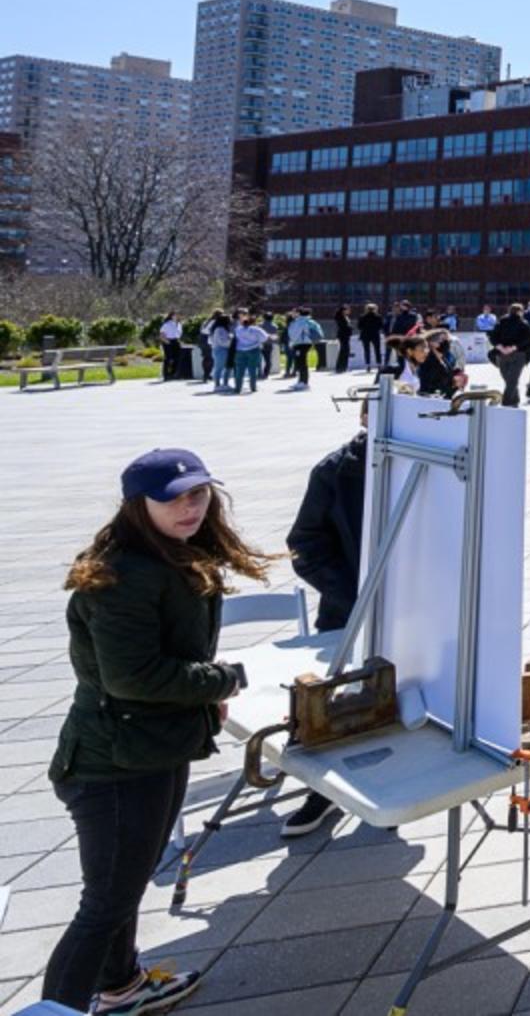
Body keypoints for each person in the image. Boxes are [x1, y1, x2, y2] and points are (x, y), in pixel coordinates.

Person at [46, 448, 269, 1013]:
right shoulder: (124, 575)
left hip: (150, 748)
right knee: (103, 906)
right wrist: (221, 682)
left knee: (123, 889)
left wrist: (200, 701)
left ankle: (121, 989)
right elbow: (133, 677)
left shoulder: (168, 554)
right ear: (136, 506)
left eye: (198, 494)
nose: (190, 508)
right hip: (113, 765)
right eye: (173, 499)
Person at [281, 408, 370, 839]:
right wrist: (352, 595)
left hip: (413, 613)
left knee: (400, 700)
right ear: (365, 416)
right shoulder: (336, 470)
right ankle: (322, 791)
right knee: (330, 706)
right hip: (345, 610)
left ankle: (383, 786)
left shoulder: (431, 462)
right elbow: (304, 544)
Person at [392, 332, 461, 399]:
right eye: (422, 350)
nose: (425, 352)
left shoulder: (445, 361)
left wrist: (456, 385)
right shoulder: (425, 364)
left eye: (447, 340)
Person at [488, 304, 530, 407]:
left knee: (509, 379)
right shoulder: (523, 323)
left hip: (503, 353)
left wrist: (500, 347)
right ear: (520, 312)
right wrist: (512, 347)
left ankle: (509, 401)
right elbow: (527, 339)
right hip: (518, 354)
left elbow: (492, 336)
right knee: (512, 379)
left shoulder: (501, 322)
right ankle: (511, 401)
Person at [285, 306, 323, 388]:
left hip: (301, 344)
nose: (292, 313)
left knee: (302, 363)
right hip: (304, 343)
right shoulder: (305, 320)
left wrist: (291, 342)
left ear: (298, 313)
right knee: (300, 362)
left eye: (294, 312)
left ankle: (304, 382)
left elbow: (294, 334)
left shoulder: (300, 321)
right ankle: (301, 381)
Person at [230, 313, 267, 394]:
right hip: (253, 350)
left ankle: (238, 388)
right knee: (252, 369)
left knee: (239, 370)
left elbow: (236, 337)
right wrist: (257, 341)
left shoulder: (238, 329)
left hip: (240, 351)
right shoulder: (256, 329)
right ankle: (253, 387)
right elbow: (264, 338)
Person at [156, 313, 183, 382]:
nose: (177, 316)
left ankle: (174, 374)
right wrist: (166, 341)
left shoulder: (179, 324)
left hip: (176, 341)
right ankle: (166, 375)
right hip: (168, 341)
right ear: (171, 317)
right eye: (175, 315)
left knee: (177, 358)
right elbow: (162, 335)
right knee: (168, 358)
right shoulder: (166, 324)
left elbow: (179, 334)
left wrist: (179, 341)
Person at [357, 302, 383, 368]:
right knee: (377, 350)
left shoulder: (362, 317)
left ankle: (368, 364)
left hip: (365, 335)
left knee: (367, 350)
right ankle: (379, 364)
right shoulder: (378, 317)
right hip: (375, 335)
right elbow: (381, 326)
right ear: (375, 309)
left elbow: (359, 327)